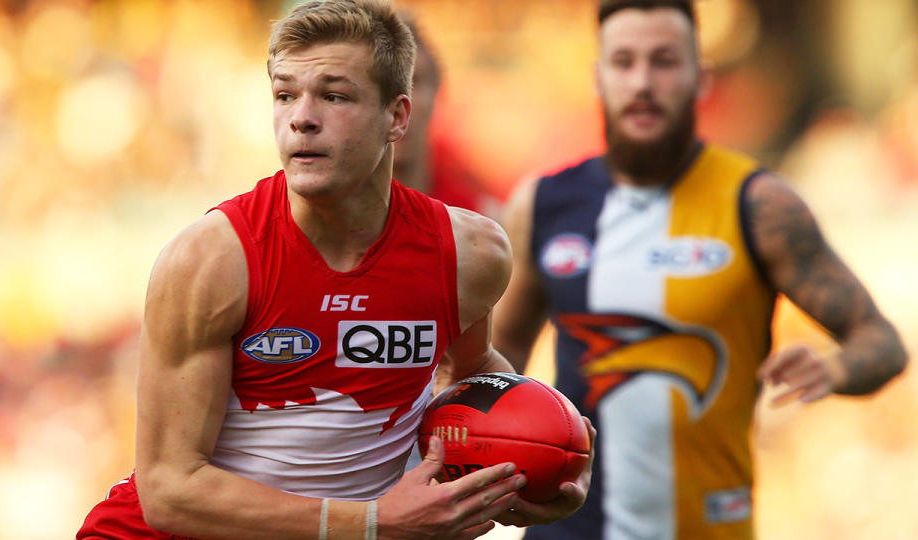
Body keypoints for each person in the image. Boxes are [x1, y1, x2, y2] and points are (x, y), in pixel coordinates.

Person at [76, 1, 593, 539]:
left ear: (397, 117)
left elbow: (468, 369)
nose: (301, 116)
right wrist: (373, 523)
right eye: (284, 94)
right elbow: (169, 490)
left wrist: (546, 453)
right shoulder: (210, 261)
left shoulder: (471, 253)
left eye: (333, 95)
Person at [491, 1, 909, 539]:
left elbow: (882, 342)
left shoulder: (758, 205)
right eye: (624, 62)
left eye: (664, 61)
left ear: (700, 78)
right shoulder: (545, 204)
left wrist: (836, 370)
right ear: (598, 77)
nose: (642, 82)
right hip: (570, 528)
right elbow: (498, 366)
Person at [393, 14, 499, 219]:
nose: (398, 104)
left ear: (438, 91)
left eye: (412, 82)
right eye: (383, 84)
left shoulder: (478, 219)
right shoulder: (325, 218)